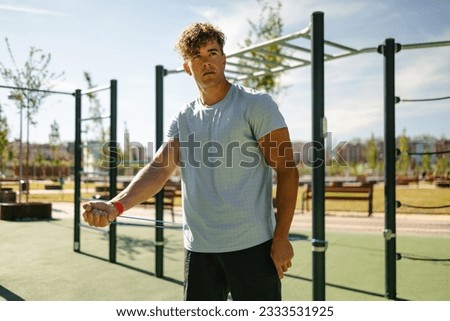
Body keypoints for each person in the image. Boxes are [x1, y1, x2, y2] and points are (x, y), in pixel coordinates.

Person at [83, 22, 299, 301]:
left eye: (212, 53)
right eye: (197, 56)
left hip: (253, 248)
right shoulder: (183, 118)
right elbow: (158, 169)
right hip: (200, 252)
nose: (206, 62)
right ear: (187, 67)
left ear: (224, 58)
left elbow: (287, 170)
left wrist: (281, 238)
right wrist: (116, 205)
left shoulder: (256, 105)